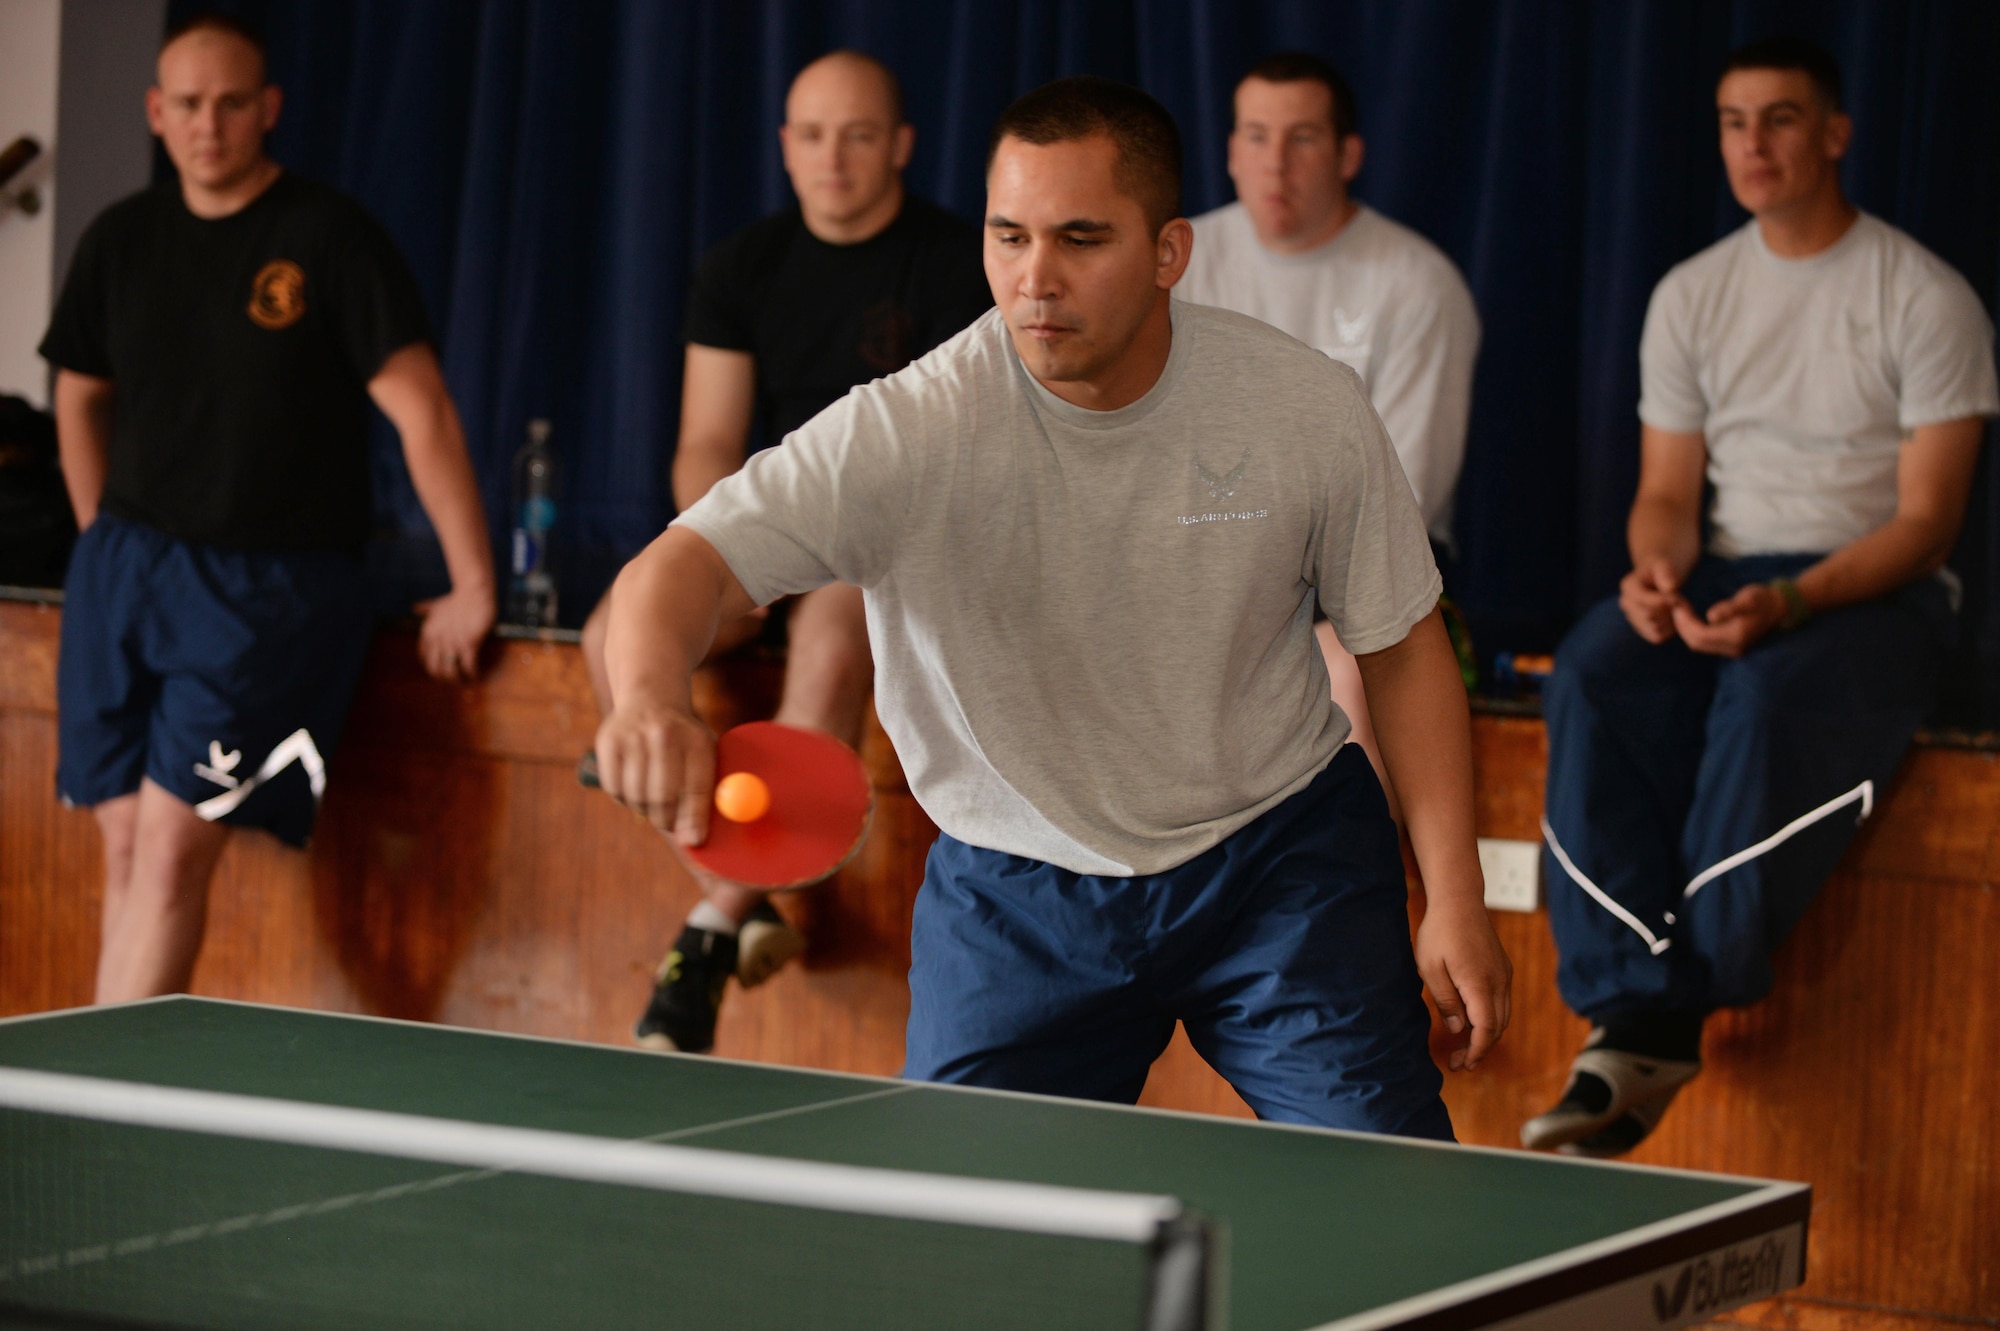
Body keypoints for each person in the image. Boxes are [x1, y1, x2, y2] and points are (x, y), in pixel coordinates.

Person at [593, 77, 1510, 1137]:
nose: (1035, 278)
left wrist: (1454, 894)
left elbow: (1397, 645)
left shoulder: (1303, 405)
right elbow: (684, 561)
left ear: (1169, 252)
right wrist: (650, 696)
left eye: (1080, 238)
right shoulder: (913, 426)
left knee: (1384, 1202)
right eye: (1008, 235)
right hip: (1016, 889)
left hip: (1279, 858)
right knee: (978, 1262)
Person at [1525, 37, 1996, 1157]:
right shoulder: (1691, 292)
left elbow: (1926, 520)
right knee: (1592, 666)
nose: (1751, 144)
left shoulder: (1924, 294)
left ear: (1832, 133)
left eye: (1778, 119)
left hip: (1873, 586)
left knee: (1769, 698)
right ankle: (1626, 998)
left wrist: (1786, 606)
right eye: (1733, 121)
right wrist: (1653, 572)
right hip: (1726, 572)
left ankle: (1668, 1009)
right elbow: (1666, 493)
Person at [39, 14, 495, 1003]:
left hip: (269, 587)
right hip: (125, 570)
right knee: (122, 840)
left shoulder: (329, 239)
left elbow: (423, 413)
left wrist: (471, 579)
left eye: (232, 103)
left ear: (268, 110)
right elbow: (77, 394)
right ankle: (86, 1105)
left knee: (168, 850)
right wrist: (95, 535)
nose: (210, 125)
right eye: (189, 105)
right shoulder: (121, 237)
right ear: (158, 114)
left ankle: (99, 1115)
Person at [578, 50, 990, 1054]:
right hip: (764, 529)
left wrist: (827, 567)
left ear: (898, 145)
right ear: (784, 148)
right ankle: (742, 897)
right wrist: (716, 549)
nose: (832, 159)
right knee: (611, 634)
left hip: (884, 546)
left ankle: (713, 920)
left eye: (856, 135)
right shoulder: (737, 267)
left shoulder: (950, 262)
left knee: (836, 629)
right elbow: (707, 444)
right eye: (811, 135)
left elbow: (953, 458)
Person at [1176, 51, 1479, 819]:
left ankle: (1355, 905)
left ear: (1347, 155)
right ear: (1230, 152)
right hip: (1199, 548)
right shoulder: (1178, 263)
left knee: (1344, 673)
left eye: (1303, 138)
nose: (1276, 162)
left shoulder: (1414, 281)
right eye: (1256, 136)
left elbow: (1407, 493)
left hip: (1369, 560)